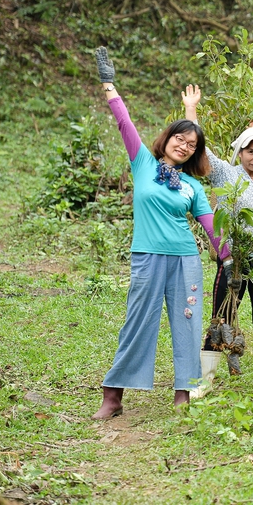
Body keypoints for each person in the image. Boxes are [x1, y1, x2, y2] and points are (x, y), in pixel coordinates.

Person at [92, 47, 223, 420]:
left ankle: (183, 392)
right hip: (148, 256)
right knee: (139, 321)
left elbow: (210, 226)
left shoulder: (192, 187)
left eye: (191, 145)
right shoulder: (143, 164)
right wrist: (109, 84)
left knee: (187, 322)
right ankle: (113, 394)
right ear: (166, 139)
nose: (183, 145)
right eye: (179, 139)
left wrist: (228, 255)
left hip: (185, 260)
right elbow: (125, 122)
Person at [182, 87, 253, 402]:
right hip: (232, 262)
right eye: (250, 152)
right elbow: (198, 151)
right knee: (221, 316)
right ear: (240, 152)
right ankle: (204, 382)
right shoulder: (226, 176)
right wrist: (191, 109)